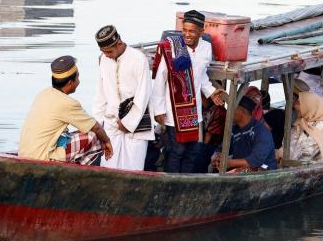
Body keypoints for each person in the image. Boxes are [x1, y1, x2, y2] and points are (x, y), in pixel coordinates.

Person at [152, 10, 224, 173]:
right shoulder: (173, 48)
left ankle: (185, 184)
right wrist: (159, 109)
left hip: (194, 111)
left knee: (192, 151)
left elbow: (201, 76)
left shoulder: (206, 48)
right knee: (176, 152)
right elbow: (159, 81)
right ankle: (172, 185)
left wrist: (211, 92)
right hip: (174, 111)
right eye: (184, 30)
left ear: (201, 31)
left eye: (191, 31)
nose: (187, 34)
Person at [19, 55, 113, 165]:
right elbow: (96, 127)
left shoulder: (43, 93)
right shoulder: (67, 103)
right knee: (94, 137)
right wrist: (107, 142)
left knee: (82, 136)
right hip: (42, 158)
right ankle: (87, 178)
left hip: (26, 153)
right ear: (70, 83)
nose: (79, 80)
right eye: (78, 77)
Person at [92, 25, 154, 171]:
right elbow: (100, 94)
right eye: (103, 52)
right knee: (107, 168)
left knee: (133, 170)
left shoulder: (138, 59)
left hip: (136, 123)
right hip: (111, 123)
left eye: (109, 51)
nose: (106, 55)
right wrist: (96, 123)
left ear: (119, 43)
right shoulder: (104, 59)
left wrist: (128, 123)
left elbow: (143, 94)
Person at [212, 96, 277, 172]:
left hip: (263, 176)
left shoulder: (261, 132)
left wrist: (229, 163)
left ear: (242, 111)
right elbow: (222, 149)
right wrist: (217, 158)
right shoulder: (233, 130)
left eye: (232, 108)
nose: (228, 112)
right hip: (242, 173)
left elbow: (255, 161)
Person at [290, 91, 323, 162]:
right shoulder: (301, 121)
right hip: (296, 166)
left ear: (308, 105)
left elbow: (308, 151)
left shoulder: (322, 125)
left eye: (299, 103)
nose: (295, 106)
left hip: (315, 169)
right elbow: (289, 141)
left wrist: (286, 152)